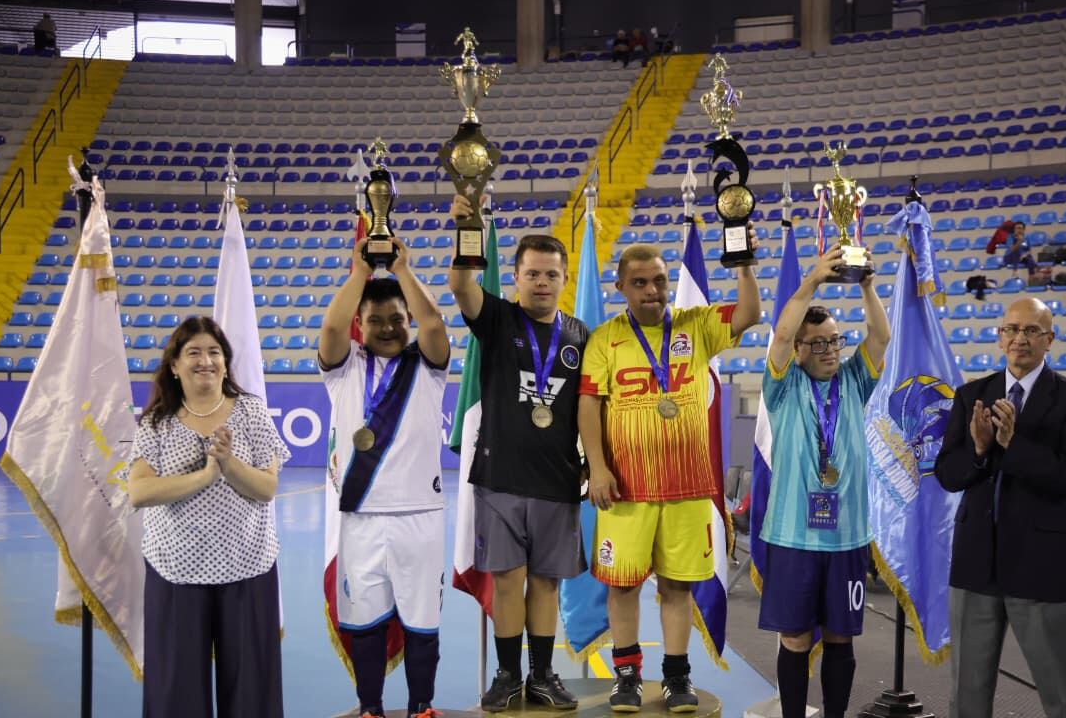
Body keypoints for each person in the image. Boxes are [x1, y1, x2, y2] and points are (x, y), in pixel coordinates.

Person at [579, 240, 760, 712]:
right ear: (621, 286)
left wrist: (743, 265)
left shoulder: (695, 325)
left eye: (659, 281)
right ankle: (627, 676)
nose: (652, 291)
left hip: (688, 487)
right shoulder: (604, 339)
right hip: (626, 490)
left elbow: (749, 314)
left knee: (677, 587)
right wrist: (597, 467)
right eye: (639, 283)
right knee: (623, 586)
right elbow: (589, 405)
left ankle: (677, 676)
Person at [447, 195, 589, 712]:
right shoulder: (498, 318)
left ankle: (542, 676)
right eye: (532, 273)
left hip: (557, 481)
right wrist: (467, 226)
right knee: (508, 582)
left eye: (551, 274)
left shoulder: (580, 336)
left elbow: (590, 409)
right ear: (515, 277)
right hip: (500, 479)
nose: (542, 282)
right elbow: (461, 285)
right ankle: (508, 676)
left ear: (564, 278)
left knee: (546, 584)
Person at [935, 297, 1066, 718]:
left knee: (1061, 697)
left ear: (1050, 339)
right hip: (975, 566)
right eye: (1011, 329)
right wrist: (978, 450)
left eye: (1031, 331)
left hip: (1040, 566)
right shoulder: (972, 395)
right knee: (967, 697)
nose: (1019, 339)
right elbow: (948, 474)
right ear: (999, 337)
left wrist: (1012, 446)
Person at [127, 316, 290, 718]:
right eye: (194, 352)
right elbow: (140, 492)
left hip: (248, 568)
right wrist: (204, 477)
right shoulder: (157, 422)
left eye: (214, 352)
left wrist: (228, 464)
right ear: (175, 365)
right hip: (176, 572)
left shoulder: (251, 412)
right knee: (175, 690)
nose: (206, 361)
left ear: (226, 362)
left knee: (252, 689)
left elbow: (266, 487)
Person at [317, 234, 450, 718]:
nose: (389, 328)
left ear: (407, 319)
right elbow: (332, 327)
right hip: (362, 520)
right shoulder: (344, 368)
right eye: (376, 320)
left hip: (420, 516)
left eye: (397, 319)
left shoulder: (429, 365)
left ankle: (422, 707)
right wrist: (360, 274)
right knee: (364, 622)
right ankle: (370, 707)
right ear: (362, 324)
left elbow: (434, 324)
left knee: (422, 622)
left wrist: (403, 270)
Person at [756, 246, 889, 718]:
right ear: (797, 350)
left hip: (847, 538)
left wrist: (867, 285)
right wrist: (812, 279)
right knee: (794, 638)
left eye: (834, 340)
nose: (830, 350)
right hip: (793, 537)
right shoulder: (783, 385)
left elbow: (881, 336)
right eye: (817, 344)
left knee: (840, 637)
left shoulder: (854, 380)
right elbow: (781, 331)